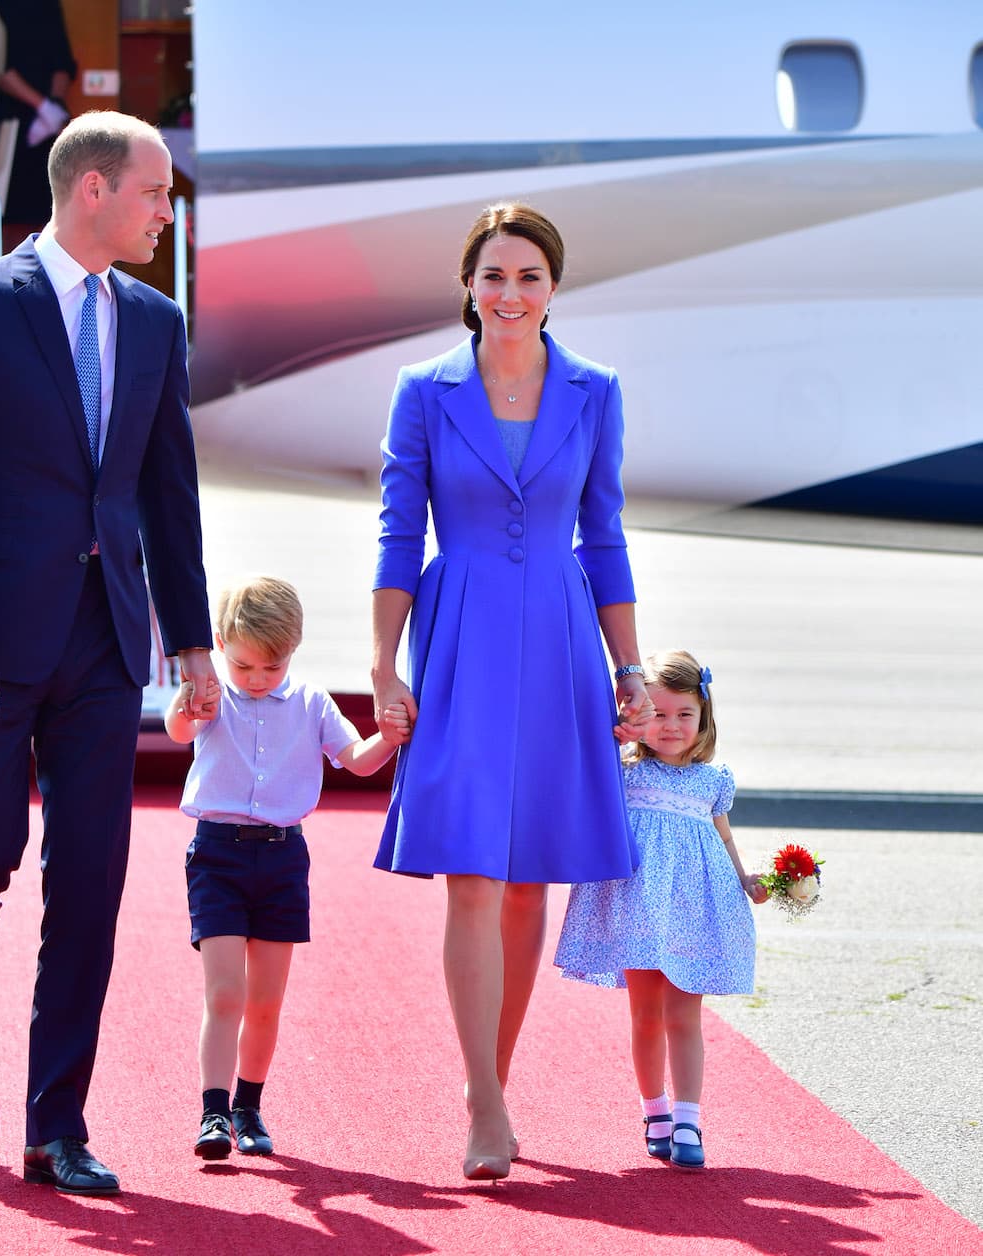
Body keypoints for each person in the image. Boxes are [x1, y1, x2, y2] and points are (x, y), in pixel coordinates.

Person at [0, 110, 216, 1196]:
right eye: (155, 192)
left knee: (89, 882)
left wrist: (192, 642)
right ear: (93, 188)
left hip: (105, 643)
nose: (167, 211)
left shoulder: (157, 322)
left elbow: (168, 493)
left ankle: (55, 1125)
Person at [371, 203, 653, 1181]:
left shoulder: (595, 390)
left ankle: (489, 1077)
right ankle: (486, 1104)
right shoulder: (422, 389)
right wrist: (382, 663)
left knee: (529, 877)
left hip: (563, 638)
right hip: (461, 635)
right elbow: (398, 530)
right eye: (493, 274)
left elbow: (603, 534)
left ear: (553, 288)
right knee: (472, 869)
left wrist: (628, 666)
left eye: (529, 276)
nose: (510, 293)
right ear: (468, 285)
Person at [165, 576, 410, 1161]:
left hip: (282, 859)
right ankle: (214, 1112)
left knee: (266, 1002)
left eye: (271, 667)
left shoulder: (311, 702)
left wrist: (389, 737)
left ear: (293, 651)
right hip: (217, 855)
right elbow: (178, 731)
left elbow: (355, 760)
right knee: (226, 992)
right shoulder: (212, 697)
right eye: (244, 665)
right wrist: (185, 701)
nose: (256, 678)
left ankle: (248, 1106)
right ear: (221, 645)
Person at [553, 650, 768, 1170]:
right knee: (646, 1015)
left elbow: (723, 836)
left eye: (684, 714)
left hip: (695, 910)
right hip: (639, 907)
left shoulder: (713, 780)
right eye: (659, 714)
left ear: (704, 716)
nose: (672, 726)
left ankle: (689, 1117)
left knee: (685, 1015)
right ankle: (656, 1112)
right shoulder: (623, 774)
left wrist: (744, 878)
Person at [0, 0, 77, 251]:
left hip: (48, 129)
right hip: (10, 124)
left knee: (49, 210)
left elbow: (63, 62)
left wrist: (52, 108)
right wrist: (44, 107)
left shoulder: (48, 5)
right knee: (8, 215)